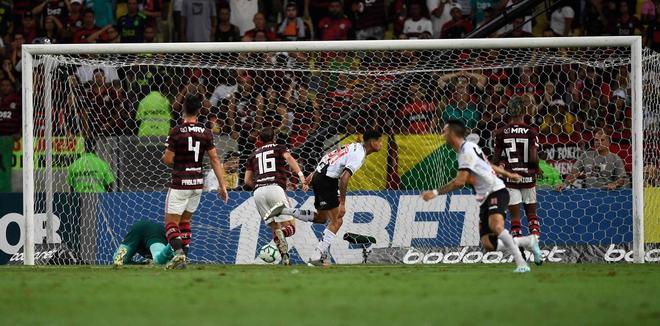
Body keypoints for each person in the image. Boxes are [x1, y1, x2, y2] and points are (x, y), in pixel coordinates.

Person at [421, 120, 540, 273]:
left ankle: (521, 263)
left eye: (444, 132)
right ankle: (528, 241)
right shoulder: (469, 148)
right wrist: (507, 173)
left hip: (496, 191)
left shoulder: (466, 152)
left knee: (496, 226)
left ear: (452, 133)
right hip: (485, 197)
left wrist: (435, 192)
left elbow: (460, 182)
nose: (442, 135)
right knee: (489, 245)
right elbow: (488, 164)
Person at [277, 129, 383, 266]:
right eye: (379, 141)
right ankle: (316, 256)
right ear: (372, 142)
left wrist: (311, 177)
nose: (381, 144)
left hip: (320, 176)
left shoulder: (352, 146)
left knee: (321, 218)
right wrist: (343, 203)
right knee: (337, 220)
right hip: (327, 181)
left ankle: (284, 210)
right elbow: (344, 178)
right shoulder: (359, 154)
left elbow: (328, 157)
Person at [162, 94, 229, 269]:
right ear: (199, 111)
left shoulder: (176, 131)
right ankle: (185, 258)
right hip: (197, 184)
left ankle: (178, 255)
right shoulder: (206, 132)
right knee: (185, 222)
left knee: (171, 223)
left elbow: (168, 159)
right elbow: (215, 159)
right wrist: (223, 185)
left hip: (179, 183)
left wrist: (173, 154)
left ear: (183, 110)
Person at [245, 127, 307, 265]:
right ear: (274, 138)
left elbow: (246, 181)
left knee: (275, 227)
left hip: (258, 192)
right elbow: (289, 157)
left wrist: (259, 185)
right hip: (275, 188)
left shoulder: (253, 154)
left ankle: (285, 257)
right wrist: (301, 176)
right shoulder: (279, 147)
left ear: (259, 140)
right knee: (290, 227)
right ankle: (283, 235)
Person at [492, 96, 542, 262]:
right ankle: (535, 245)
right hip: (528, 178)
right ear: (524, 111)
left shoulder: (501, 132)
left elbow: (496, 160)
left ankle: (519, 251)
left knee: (515, 218)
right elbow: (534, 157)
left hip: (511, 179)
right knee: (532, 215)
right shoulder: (531, 131)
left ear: (508, 112)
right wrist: (537, 168)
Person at [557, 129, 627, 190]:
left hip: (608, 194)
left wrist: (614, 184)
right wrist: (565, 184)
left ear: (608, 142)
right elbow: (574, 173)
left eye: (602, 140)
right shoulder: (586, 156)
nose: (598, 142)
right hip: (589, 195)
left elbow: (621, 179)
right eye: (596, 140)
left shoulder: (615, 158)